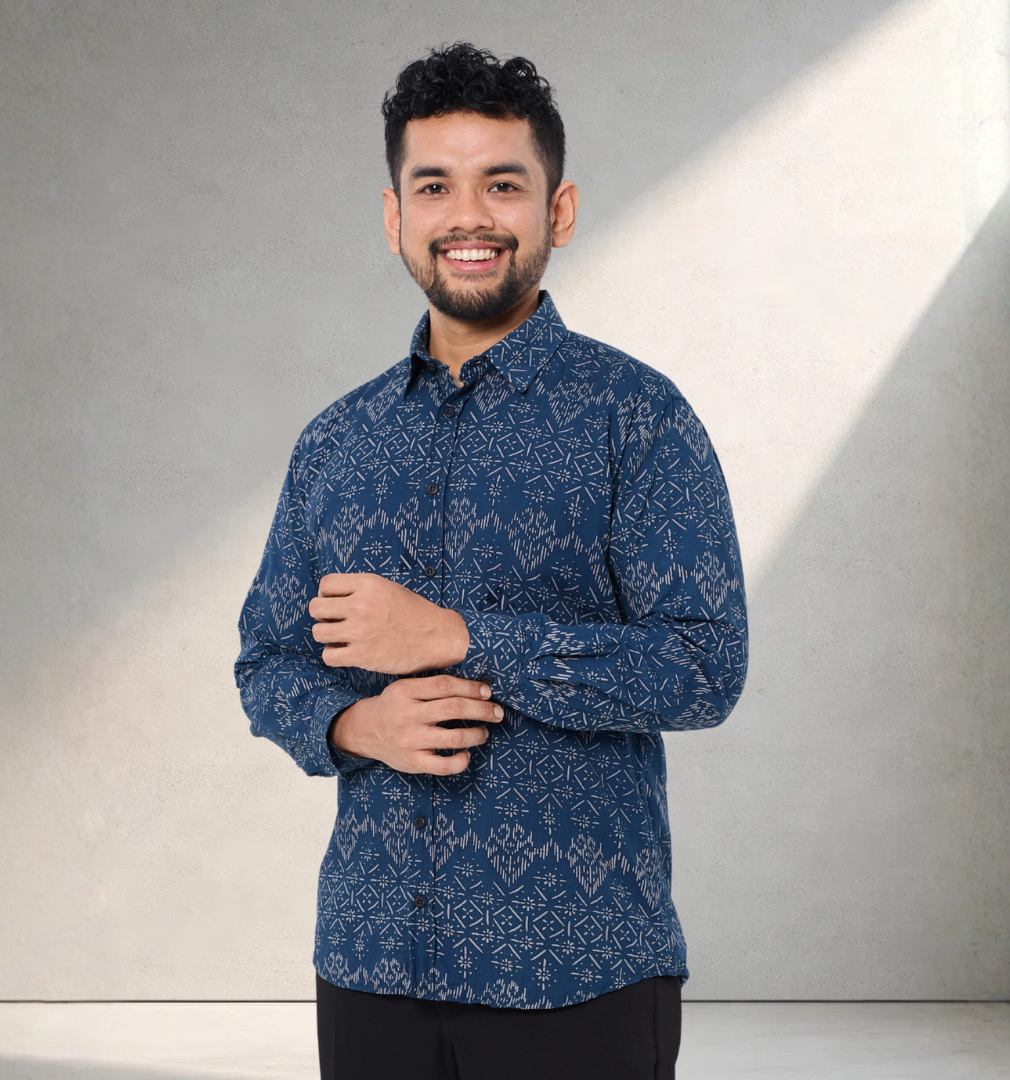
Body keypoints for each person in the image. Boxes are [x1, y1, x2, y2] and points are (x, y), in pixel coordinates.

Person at [234, 42, 748, 1080]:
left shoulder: (638, 420)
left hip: (582, 976)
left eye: (501, 183)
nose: (468, 216)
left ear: (555, 212)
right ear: (395, 219)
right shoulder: (336, 443)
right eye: (435, 186)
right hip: (372, 963)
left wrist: (463, 639)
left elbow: (702, 667)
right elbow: (267, 660)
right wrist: (351, 721)